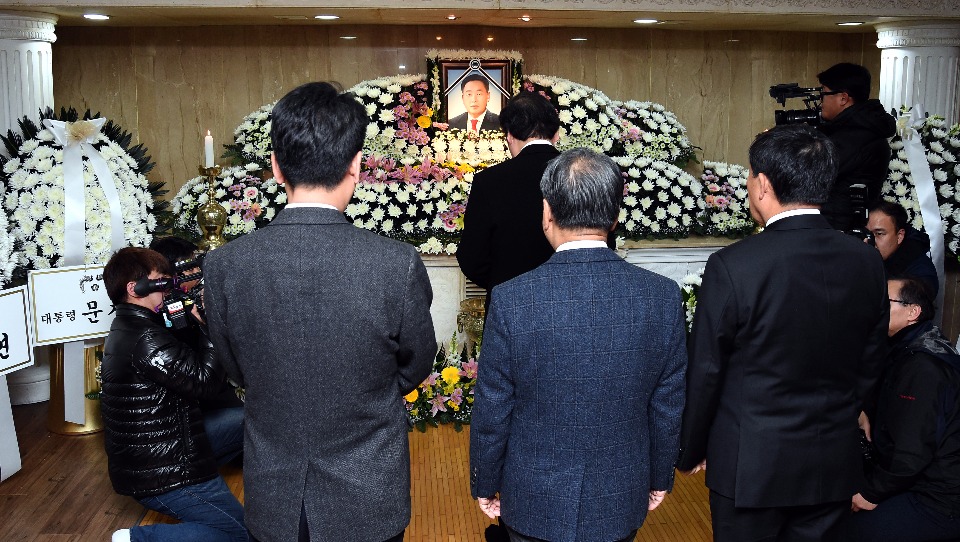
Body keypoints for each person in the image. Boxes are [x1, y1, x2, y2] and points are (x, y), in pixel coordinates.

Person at [203, 81, 436, 542]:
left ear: (275, 167)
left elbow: (234, 366)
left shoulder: (225, 264)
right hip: (369, 487)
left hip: (274, 489)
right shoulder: (394, 263)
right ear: (356, 165)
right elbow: (418, 360)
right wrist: (369, 389)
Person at [676, 124, 889, 541]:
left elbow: (706, 370)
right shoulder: (865, 261)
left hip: (750, 467)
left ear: (763, 184)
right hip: (830, 464)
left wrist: (691, 449)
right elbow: (872, 356)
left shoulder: (735, 265)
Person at [470, 147, 687, 542]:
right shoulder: (663, 297)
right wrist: (659, 476)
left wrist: (485, 481)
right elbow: (667, 403)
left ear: (547, 212)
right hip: (619, 496)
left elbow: (494, 406)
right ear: (616, 216)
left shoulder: (513, 298)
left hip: (532, 496)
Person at [100, 247, 246, 542]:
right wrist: (207, 326)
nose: (169, 287)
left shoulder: (131, 325)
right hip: (163, 471)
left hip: (165, 447)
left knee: (247, 419)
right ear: (135, 288)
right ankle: (138, 539)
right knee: (241, 534)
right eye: (161, 281)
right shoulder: (146, 339)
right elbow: (205, 383)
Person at [832, 277, 960, 541]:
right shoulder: (907, 348)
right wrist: (866, 410)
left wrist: (869, 493)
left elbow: (911, 454)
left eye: (884, 302)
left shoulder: (925, 367)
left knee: (843, 530)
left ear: (913, 312)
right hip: (918, 481)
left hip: (938, 499)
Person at [456, 91, 560, 306]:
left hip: (510, 302)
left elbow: (471, 258)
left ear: (509, 134)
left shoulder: (489, 181)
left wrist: (503, 282)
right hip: (570, 301)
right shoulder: (585, 174)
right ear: (556, 134)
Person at [816, 62, 897, 231]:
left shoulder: (856, 135)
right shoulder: (858, 128)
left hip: (838, 230)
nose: (820, 101)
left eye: (823, 94)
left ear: (843, 98)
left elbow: (814, 173)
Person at [866, 200, 939, 295]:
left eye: (879, 233)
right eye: (868, 234)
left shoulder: (921, 275)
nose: (869, 241)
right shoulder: (860, 256)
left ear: (899, 236)